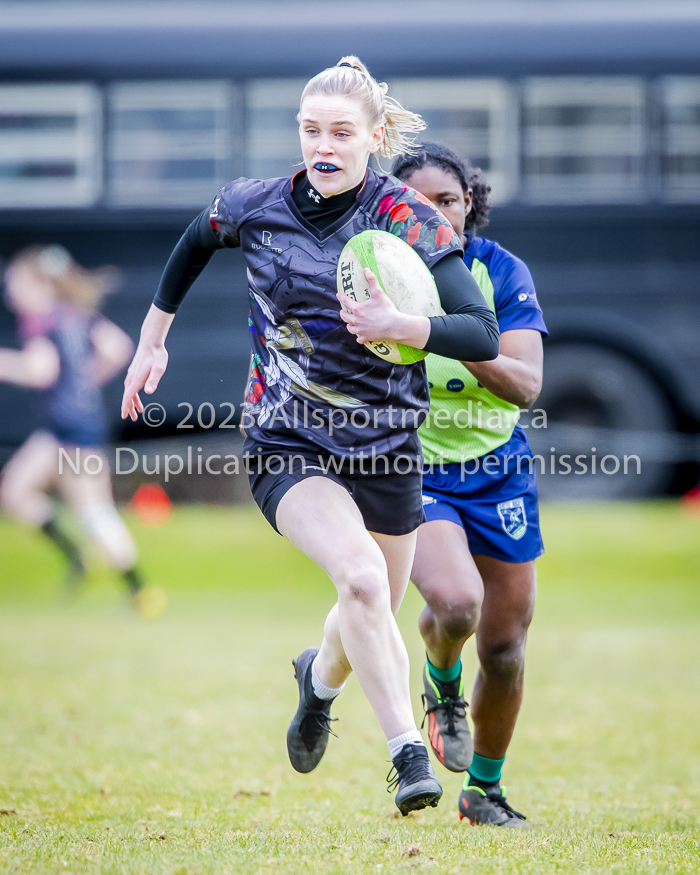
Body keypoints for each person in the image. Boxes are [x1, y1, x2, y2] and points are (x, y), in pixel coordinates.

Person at [121, 57, 500, 815]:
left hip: (388, 444)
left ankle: (316, 680)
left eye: (340, 132)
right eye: (310, 130)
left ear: (374, 137)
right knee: (359, 579)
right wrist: (152, 336)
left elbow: (482, 334)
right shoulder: (255, 204)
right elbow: (197, 238)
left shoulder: (406, 218)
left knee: (371, 607)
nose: (322, 146)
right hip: (285, 438)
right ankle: (407, 755)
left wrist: (405, 327)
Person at [393, 142, 547, 827]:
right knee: (456, 606)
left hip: (499, 469)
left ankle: (483, 791)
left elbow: (525, 385)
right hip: (414, 467)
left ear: (469, 206)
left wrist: (441, 333)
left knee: (507, 648)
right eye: (418, 202)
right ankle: (442, 689)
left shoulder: (499, 272)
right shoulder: (375, 273)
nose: (435, 214)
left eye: (448, 201)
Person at [0, 244, 146, 602]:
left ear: (39, 284)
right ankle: (79, 557)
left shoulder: (42, 319)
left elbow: (40, 370)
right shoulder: (76, 314)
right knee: (16, 492)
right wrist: (84, 380)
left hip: (70, 433)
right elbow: (119, 348)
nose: (9, 294)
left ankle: (140, 590)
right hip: (68, 428)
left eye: (15, 284)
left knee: (95, 513)